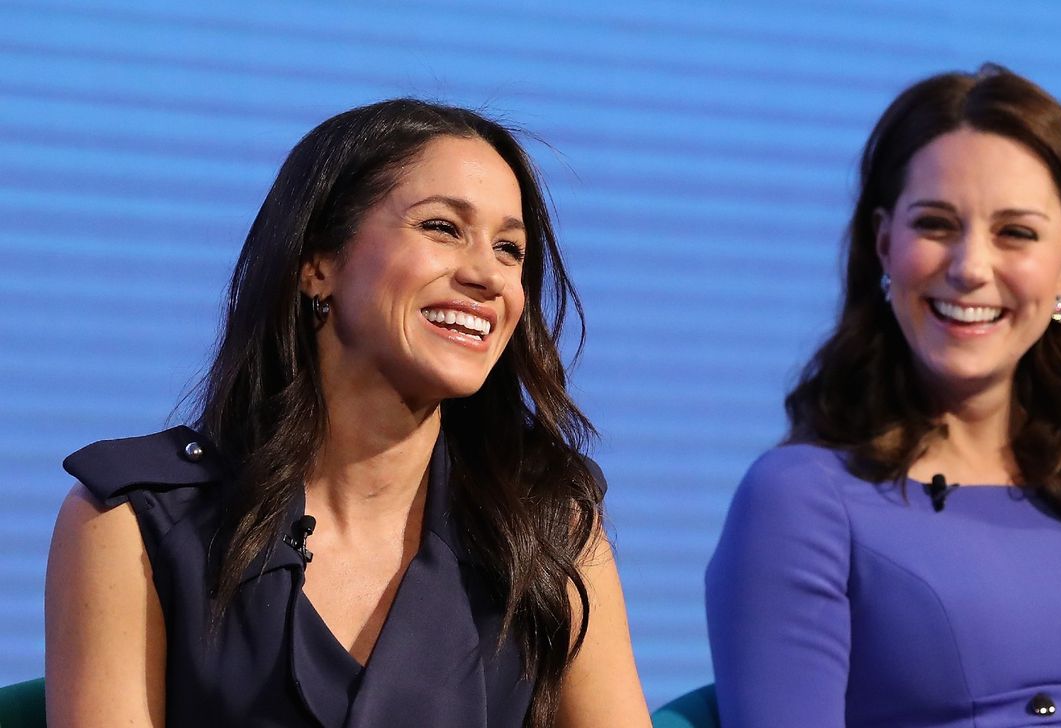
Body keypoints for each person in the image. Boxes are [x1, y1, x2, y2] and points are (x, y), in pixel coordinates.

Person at [45, 99, 651, 728]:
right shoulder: (136, 520)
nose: (487, 275)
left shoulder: (548, 524)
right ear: (317, 265)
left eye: (509, 249)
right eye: (443, 228)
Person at [705, 66, 1061, 726]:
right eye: (935, 224)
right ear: (883, 246)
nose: (970, 267)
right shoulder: (801, 499)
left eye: (1015, 232)